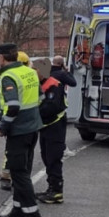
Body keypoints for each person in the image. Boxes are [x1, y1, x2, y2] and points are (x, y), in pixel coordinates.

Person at [0, 43, 43, 217]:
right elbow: (40, 97)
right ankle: (18, 209)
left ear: (2, 57)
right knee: (22, 171)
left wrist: (3, 127)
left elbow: (13, 106)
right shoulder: (29, 71)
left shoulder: (8, 76)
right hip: (32, 128)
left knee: (19, 174)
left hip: (19, 131)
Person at [35, 60, 68, 204]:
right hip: (46, 126)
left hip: (55, 126)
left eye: (34, 70)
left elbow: (50, 107)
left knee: (53, 159)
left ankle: (56, 191)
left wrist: (34, 114)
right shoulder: (41, 84)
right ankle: (51, 188)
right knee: (46, 157)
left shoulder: (54, 84)